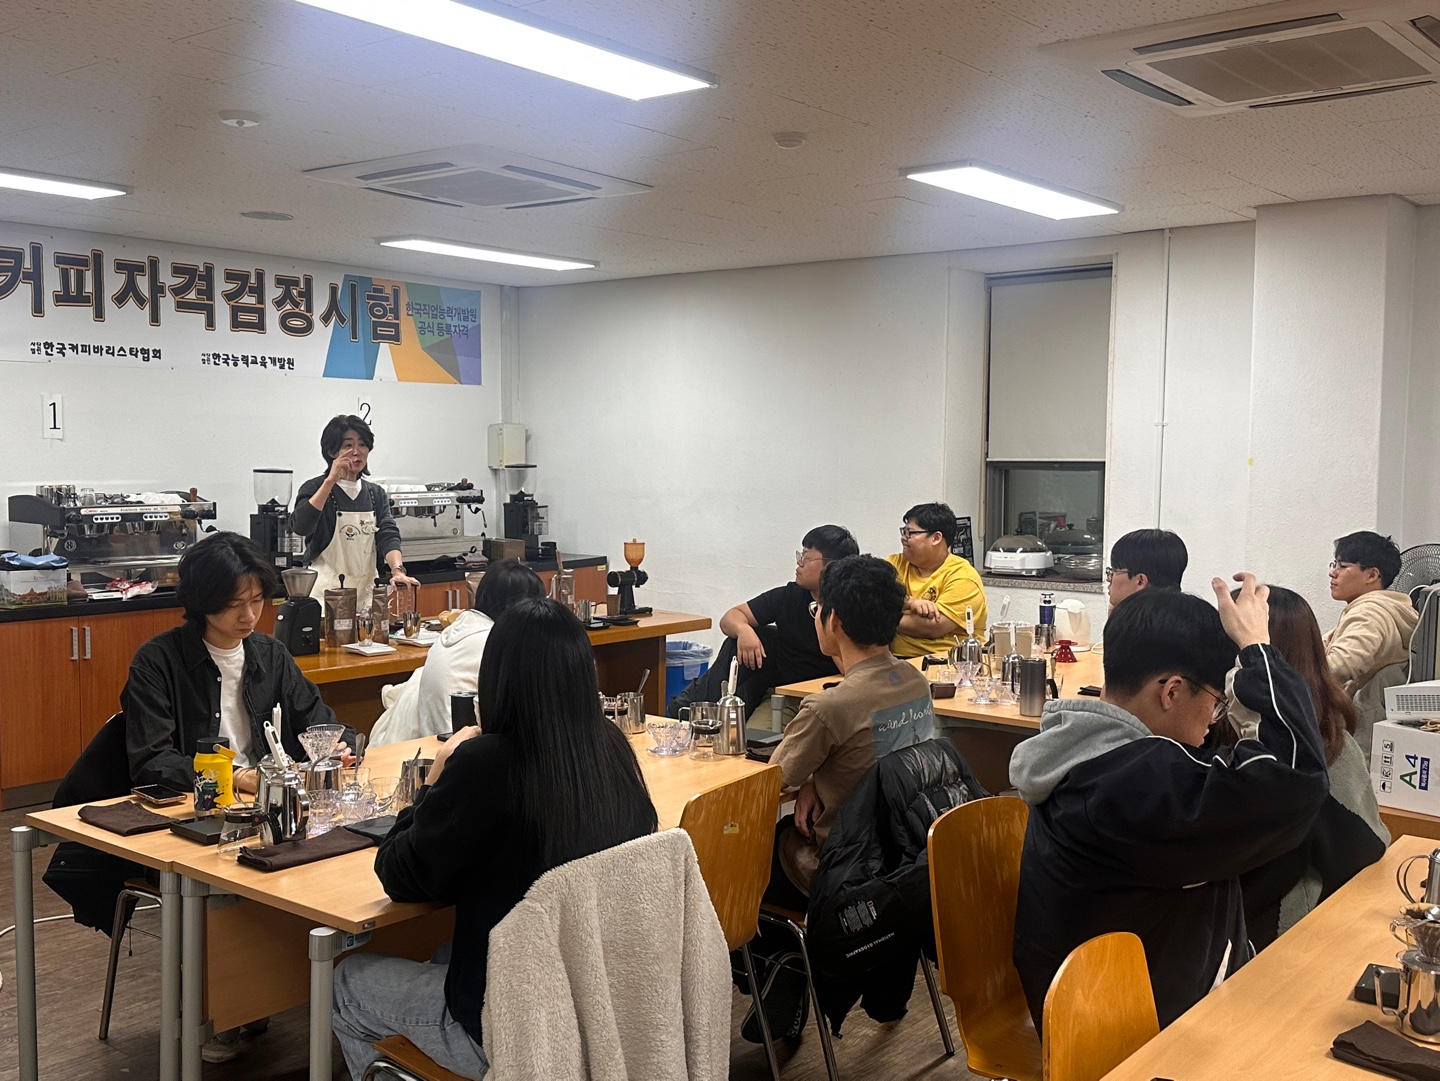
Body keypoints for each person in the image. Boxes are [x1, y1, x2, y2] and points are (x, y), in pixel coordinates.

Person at [331, 598, 658, 1079]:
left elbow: (399, 876)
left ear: (496, 678)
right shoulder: (610, 748)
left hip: (506, 1024)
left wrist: (431, 783)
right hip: (593, 1009)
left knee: (344, 980)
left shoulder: (485, 764)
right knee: (442, 952)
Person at [1010, 577, 1328, 1033]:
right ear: (1172, 692)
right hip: (1134, 1038)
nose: (1214, 721)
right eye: (1216, 703)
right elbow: (1297, 780)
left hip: (1128, 1005)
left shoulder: (1092, 754)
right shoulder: (1132, 784)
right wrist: (1257, 650)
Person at [119, 531, 345, 1063]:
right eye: (233, 604)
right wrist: (237, 778)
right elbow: (152, 760)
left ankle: (270, 992)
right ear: (201, 602)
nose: (249, 616)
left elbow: (319, 723)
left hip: (270, 808)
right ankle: (222, 1009)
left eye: (258, 601)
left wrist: (337, 749)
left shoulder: (270, 654)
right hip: (197, 816)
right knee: (227, 881)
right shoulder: (158, 661)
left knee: (343, 857)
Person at [769, 555, 936, 905]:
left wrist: (807, 776)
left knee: (741, 851)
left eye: (817, 609)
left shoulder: (828, 708)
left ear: (834, 620)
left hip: (845, 869)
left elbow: (773, 780)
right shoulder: (915, 681)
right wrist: (815, 779)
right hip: (905, 854)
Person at [1238, 586, 1388, 950]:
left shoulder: (1301, 749)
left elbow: (1361, 849)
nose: (1333, 573)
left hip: (1279, 934)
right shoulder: (1330, 738)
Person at [668, 525, 859, 718]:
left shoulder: (852, 606)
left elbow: (851, 670)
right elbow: (730, 617)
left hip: (826, 698)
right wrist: (743, 630)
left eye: (807, 558)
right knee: (742, 641)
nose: (799, 563)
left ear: (832, 567)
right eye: (800, 555)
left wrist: (827, 619)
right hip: (783, 695)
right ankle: (687, 710)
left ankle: (687, 711)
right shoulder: (789, 595)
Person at [369, 560, 547, 745]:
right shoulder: (494, 639)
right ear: (517, 607)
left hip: (432, 738)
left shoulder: (459, 627)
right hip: (459, 745)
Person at [291, 414, 421, 600]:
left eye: (362, 444)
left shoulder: (375, 493)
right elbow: (301, 527)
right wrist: (330, 481)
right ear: (332, 451)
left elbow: (388, 534)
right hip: (325, 594)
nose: (356, 452)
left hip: (367, 592)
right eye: (348, 445)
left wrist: (397, 570)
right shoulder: (314, 488)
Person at [886, 502, 986, 658]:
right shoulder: (894, 564)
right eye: (903, 531)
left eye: (910, 533)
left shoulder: (963, 576)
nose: (903, 538)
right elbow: (866, 598)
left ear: (936, 538)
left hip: (947, 662)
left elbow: (932, 628)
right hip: (894, 660)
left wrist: (882, 617)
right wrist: (910, 602)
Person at [1325, 530, 1418, 694]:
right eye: (1334, 564)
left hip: (1357, 710)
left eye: (1343, 566)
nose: (1332, 573)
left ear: (1372, 575)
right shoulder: (1386, 610)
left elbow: (1339, 667)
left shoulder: (1369, 613)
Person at [1105, 527, 1188, 609]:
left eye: (1114, 571)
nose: (1108, 579)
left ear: (1140, 581)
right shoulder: (1187, 614)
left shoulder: (1135, 618)